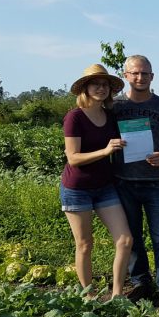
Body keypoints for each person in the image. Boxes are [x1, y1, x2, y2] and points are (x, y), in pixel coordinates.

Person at [112, 55, 159, 310]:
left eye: (145, 73)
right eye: (135, 73)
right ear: (125, 75)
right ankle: (142, 283)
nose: (140, 77)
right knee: (132, 238)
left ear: (152, 76)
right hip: (124, 182)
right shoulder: (115, 108)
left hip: (156, 183)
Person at [61, 64, 132, 297]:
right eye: (96, 84)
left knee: (125, 240)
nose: (101, 88)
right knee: (84, 244)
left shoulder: (109, 116)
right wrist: (104, 151)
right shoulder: (75, 117)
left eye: (105, 85)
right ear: (85, 88)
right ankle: (88, 297)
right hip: (77, 188)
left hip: (104, 187)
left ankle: (117, 295)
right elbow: (73, 158)